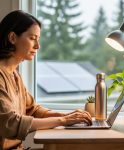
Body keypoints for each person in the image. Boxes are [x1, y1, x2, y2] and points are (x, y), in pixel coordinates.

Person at [0, 10, 92, 149]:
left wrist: (67, 115)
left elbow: (32, 109)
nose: (38, 46)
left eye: (38, 39)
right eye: (32, 38)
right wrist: (63, 120)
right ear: (12, 37)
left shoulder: (14, 74)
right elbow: (11, 124)